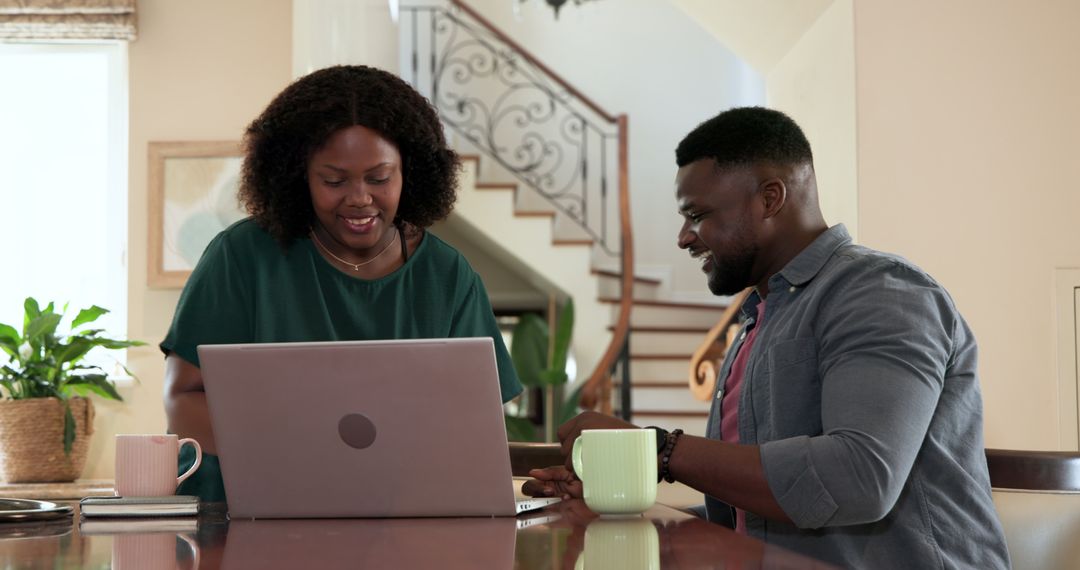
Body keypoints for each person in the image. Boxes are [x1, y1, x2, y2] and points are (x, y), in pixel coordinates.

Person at [525, 107, 1009, 568]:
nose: (683, 237)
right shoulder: (760, 317)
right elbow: (751, 526)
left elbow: (861, 478)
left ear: (770, 199)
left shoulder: (881, 292)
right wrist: (617, 506)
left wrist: (658, 450)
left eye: (696, 214)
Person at [161, 65, 522, 502]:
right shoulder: (241, 257)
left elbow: (476, 424)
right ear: (299, 176)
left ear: (411, 172)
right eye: (334, 180)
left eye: (379, 177)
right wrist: (304, 453)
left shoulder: (448, 276)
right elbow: (181, 401)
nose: (359, 197)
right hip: (233, 517)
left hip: (393, 522)